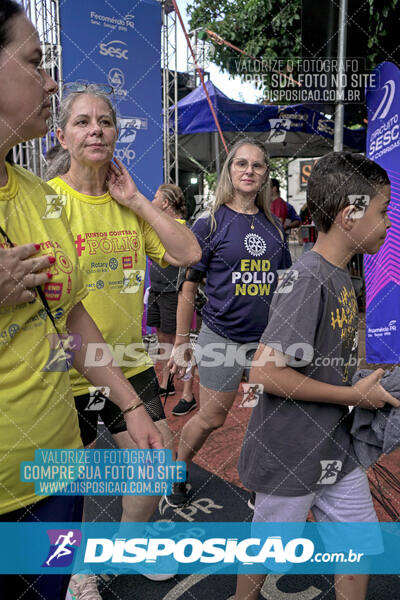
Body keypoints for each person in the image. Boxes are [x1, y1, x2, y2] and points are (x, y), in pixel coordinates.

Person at [0, 4, 163, 600]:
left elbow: (69, 316)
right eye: (37, 61)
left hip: (53, 475)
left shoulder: (39, 198)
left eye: (106, 121)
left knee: (50, 590)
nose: (49, 82)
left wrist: (131, 402)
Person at [46, 86, 201, 596]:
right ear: (62, 135)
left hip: (129, 361)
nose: (96, 130)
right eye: (83, 122)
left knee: (152, 465)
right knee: (69, 488)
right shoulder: (49, 203)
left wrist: (135, 199)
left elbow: (187, 251)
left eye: (106, 122)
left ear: (116, 134)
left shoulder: (128, 200)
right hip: (62, 368)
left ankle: (123, 548)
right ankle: (73, 570)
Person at [235, 152, 400, 600]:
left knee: (360, 547)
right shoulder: (308, 277)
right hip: (291, 453)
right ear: (350, 215)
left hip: (334, 447)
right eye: (383, 212)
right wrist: (353, 393)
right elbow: (265, 372)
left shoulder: (341, 276)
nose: (388, 224)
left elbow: (323, 359)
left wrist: (365, 382)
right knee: (265, 556)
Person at [167, 139, 291, 507]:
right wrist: (180, 340)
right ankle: (177, 471)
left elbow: (283, 287)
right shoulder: (211, 223)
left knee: (264, 418)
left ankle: (256, 484)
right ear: (230, 171)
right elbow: (188, 286)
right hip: (220, 339)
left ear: (266, 174)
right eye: (241, 164)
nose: (249, 171)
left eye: (257, 165)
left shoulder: (275, 228)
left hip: (264, 345)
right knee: (212, 418)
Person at [147, 184, 197, 415]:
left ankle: (188, 393)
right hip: (157, 291)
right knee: (163, 340)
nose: (153, 200)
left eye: (156, 197)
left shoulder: (180, 228)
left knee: (181, 343)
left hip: (174, 293)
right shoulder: (158, 226)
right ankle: (166, 384)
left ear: (166, 202)